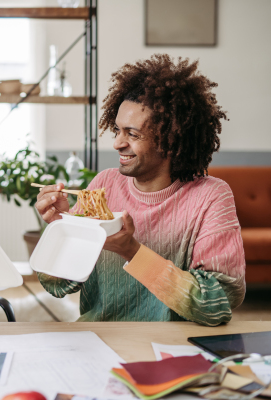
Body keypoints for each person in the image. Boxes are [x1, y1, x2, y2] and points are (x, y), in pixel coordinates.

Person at [35, 54, 246, 326]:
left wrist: (132, 251)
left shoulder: (211, 196)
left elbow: (217, 304)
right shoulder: (104, 184)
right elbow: (59, 284)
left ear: (170, 141)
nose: (117, 144)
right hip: (97, 339)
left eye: (132, 135)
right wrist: (60, 227)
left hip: (173, 346)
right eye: (117, 130)